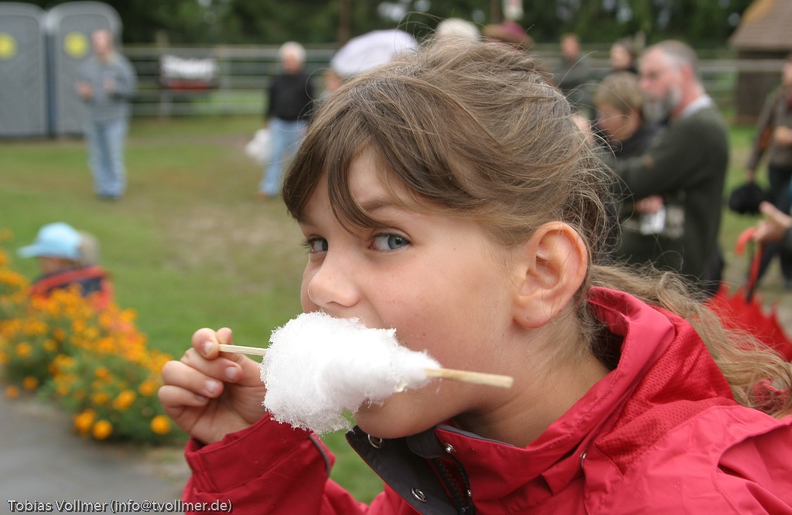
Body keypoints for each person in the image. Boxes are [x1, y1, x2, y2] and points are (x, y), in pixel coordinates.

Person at [159, 39, 792, 514]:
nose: (322, 286)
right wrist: (253, 463)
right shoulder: (454, 459)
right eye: (318, 242)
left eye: (387, 238)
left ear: (540, 274)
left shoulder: (686, 500)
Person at [606, 40, 729, 297]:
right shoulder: (686, 123)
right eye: (642, 77)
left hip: (680, 281)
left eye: (653, 76)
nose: (644, 86)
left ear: (683, 74)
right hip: (674, 275)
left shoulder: (699, 127)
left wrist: (586, 152)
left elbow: (634, 180)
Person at [594, 71, 663, 266]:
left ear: (631, 113)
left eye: (607, 115)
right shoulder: (602, 136)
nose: (600, 121)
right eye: (599, 113)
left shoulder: (656, 146)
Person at [746, 53, 792, 288]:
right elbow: (763, 131)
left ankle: (755, 274)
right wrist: (752, 165)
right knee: (780, 218)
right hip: (777, 167)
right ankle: (785, 273)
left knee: (781, 216)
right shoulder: (777, 99)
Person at [75, 29, 137, 201]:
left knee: (113, 156)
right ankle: (102, 189)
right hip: (93, 118)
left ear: (110, 43)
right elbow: (82, 89)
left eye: (102, 41)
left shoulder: (120, 65)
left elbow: (132, 90)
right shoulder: (87, 66)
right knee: (96, 157)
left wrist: (115, 89)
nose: (99, 45)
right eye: (96, 41)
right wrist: (83, 93)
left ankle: (115, 190)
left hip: (114, 119)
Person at [258, 41, 316, 200]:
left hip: (299, 124)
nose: (288, 63)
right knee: (274, 156)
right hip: (279, 122)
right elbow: (271, 99)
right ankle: (269, 188)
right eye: (286, 60)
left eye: (291, 59)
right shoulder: (277, 79)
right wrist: (268, 118)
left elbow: (311, 103)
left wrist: (309, 123)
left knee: (298, 159)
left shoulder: (306, 80)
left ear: (299, 61)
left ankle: (298, 190)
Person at [17, 222, 114, 310]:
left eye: (40, 258)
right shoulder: (98, 282)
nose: (40, 264)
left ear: (54, 259)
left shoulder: (49, 292)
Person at [553, 33, 594, 117]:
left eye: (569, 45)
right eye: (564, 46)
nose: (566, 49)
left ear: (576, 46)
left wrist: (563, 78)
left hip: (581, 104)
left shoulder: (583, 61)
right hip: (565, 104)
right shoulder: (562, 63)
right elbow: (556, 77)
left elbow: (580, 76)